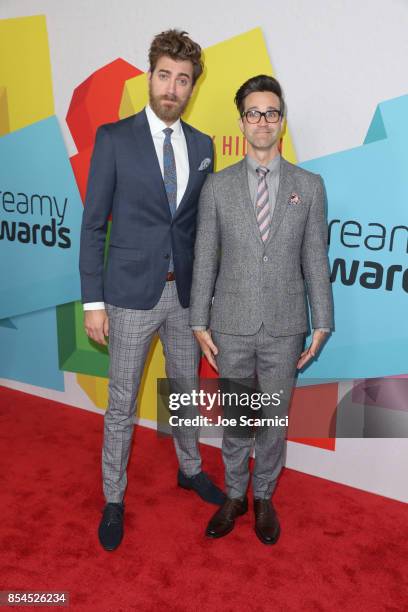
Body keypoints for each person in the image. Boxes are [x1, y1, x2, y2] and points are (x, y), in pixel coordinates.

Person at [79, 29, 225, 552]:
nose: (173, 87)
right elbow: (94, 225)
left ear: (192, 88)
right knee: (122, 404)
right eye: (165, 75)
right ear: (150, 76)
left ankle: (189, 469)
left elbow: (202, 232)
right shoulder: (115, 138)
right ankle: (113, 498)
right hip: (127, 296)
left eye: (183, 80)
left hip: (184, 297)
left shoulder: (204, 146)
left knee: (184, 391)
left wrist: (208, 300)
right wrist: (93, 302)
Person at [189, 75, 334, 545]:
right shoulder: (217, 187)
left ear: (282, 122)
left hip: (286, 326)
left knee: (272, 421)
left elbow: (315, 257)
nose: (263, 121)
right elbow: (205, 256)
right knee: (237, 420)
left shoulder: (309, 186)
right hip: (230, 325)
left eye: (272, 113)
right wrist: (197, 320)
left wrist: (323, 321)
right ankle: (234, 495)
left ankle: (265, 496)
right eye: (254, 113)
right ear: (242, 122)